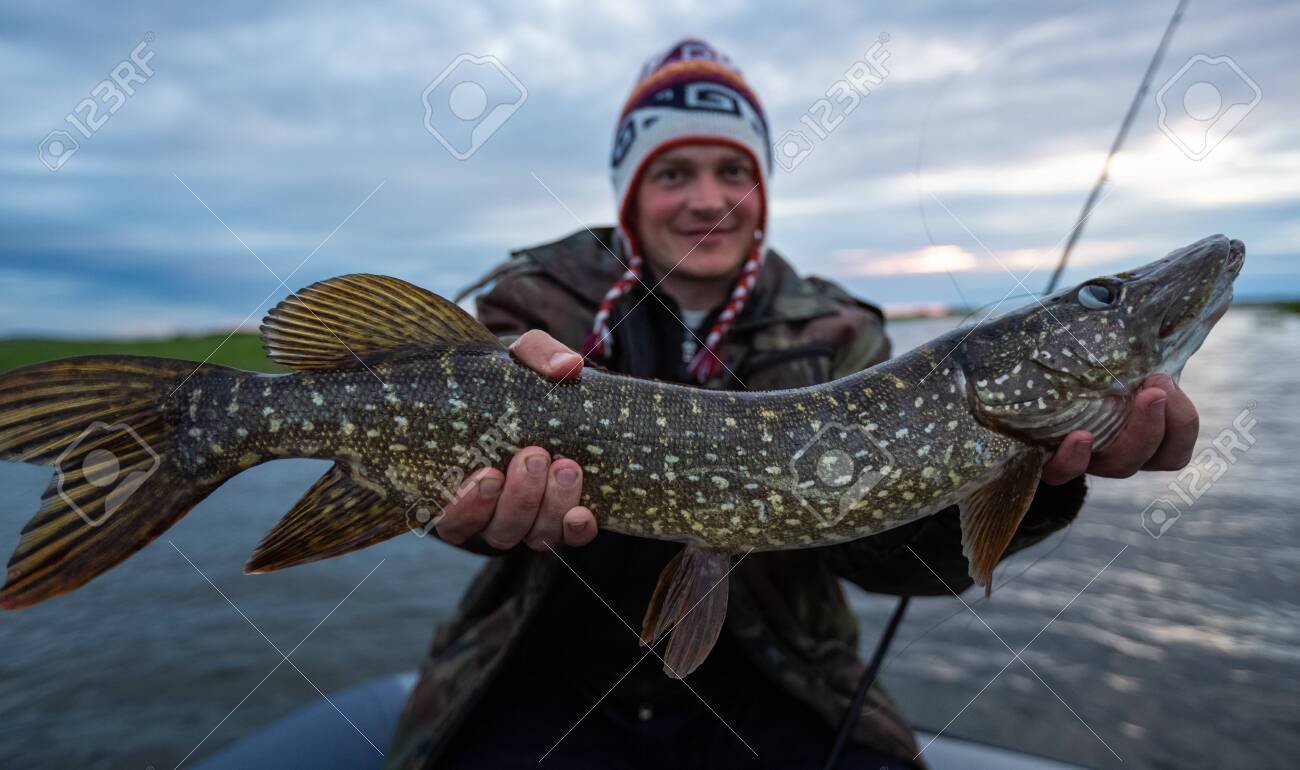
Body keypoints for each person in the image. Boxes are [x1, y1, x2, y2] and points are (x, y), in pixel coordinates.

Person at [383, 39, 1200, 770]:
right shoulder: (534, 302)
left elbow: (886, 559)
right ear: (630, 192)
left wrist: (1041, 485)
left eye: (733, 170)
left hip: (778, 674)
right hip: (540, 662)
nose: (708, 199)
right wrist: (450, 502)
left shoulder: (841, 331)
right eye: (674, 172)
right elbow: (443, 492)